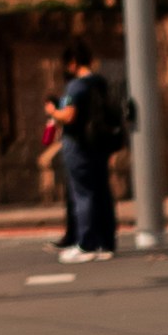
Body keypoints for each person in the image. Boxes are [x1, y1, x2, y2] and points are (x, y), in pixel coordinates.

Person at [42, 50, 125, 266]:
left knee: (83, 194)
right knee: (101, 192)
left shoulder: (76, 86)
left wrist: (53, 111)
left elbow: (69, 115)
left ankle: (86, 244)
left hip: (79, 146)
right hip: (99, 144)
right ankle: (106, 243)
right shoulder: (100, 82)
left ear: (73, 63)